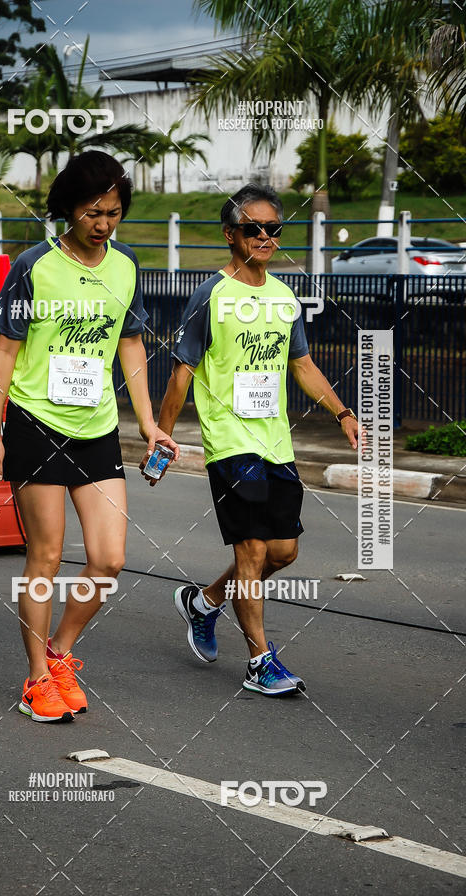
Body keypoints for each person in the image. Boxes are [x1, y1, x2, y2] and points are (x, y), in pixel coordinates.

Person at [0, 150, 178, 723]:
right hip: (36, 423)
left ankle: (59, 651)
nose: (104, 224)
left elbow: (130, 342)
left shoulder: (126, 264)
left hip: (97, 427)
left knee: (109, 559)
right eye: (93, 212)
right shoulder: (34, 265)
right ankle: (36, 681)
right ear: (68, 209)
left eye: (114, 213)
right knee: (44, 556)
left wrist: (147, 422)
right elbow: (5, 350)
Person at [144, 183, 359, 697]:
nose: (265, 236)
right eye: (252, 228)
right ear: (230, 234)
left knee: (282, 553)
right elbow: (181, 374)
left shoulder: (284, 297)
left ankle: (204, 603)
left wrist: (343, 412)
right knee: (252, 550)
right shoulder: (210, 295)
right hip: (229, 441)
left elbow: (302, 364)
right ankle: (260, 662)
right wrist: (162, 438)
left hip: (275, 442)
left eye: (273, 228)